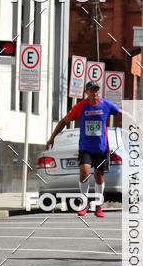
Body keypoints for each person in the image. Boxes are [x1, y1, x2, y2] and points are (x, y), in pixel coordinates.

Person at [46, 80, 120, 218]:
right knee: (84, 172)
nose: (95, 92)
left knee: (99, 176)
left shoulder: (106, 105)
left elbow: (120, 112)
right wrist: (52, 138)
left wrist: (136, 124)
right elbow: (63, 121)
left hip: (101, 148)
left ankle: (98, 206)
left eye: (97, 89)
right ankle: (84, 203)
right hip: (85, 148)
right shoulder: (80, 106)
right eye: (92, 90)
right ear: (86, 92)